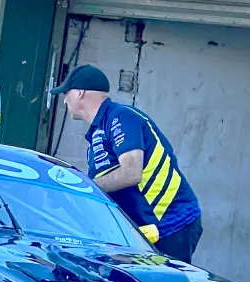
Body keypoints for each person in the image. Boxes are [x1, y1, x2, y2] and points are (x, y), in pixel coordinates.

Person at [51, 64, 203, 263]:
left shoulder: (120, 117)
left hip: (171, 223)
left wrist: (83, 187)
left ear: (79, 93)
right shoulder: (99, 131)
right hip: (147, 230)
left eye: (66, 93)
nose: (64, 100)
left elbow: (131, 173)